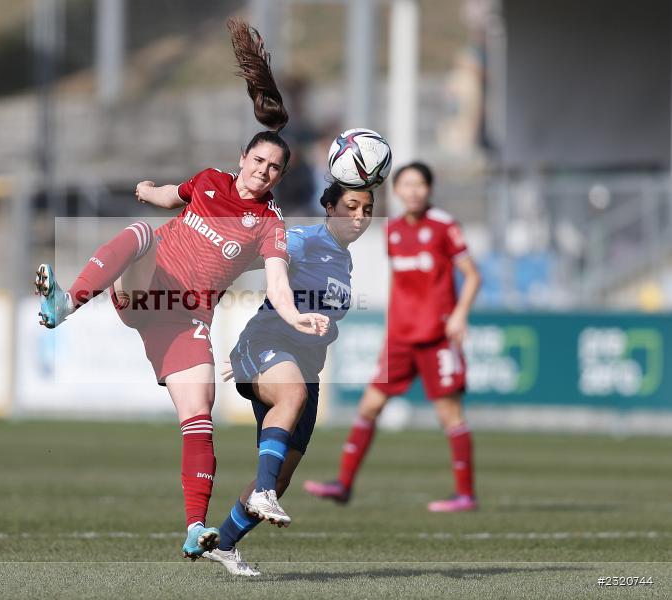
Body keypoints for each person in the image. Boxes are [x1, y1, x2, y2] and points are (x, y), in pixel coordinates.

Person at [34, 19, 329, 560]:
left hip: (185, 317)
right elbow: (175, 195)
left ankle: (196, 529)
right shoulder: (211, 180)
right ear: (243, 159)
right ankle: (66, 303)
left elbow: (279, 284)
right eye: (257, 161)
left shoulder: (269, 225)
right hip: (143, 289)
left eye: (273, 169)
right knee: (144, 233)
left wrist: (295, 318)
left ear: (279, 179)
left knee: (200, 414)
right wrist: (149, 190)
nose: (262, 173)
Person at [204, 183, 375, 576]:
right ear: (328, 207)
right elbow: (252, 258)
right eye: (350, 207)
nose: (359, 217)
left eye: (366, 209)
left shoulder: (343, 261)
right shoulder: (302, 240)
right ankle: (261, 493)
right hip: (267, 344)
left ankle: (224, 545)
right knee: (292, 394)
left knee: (281, 477)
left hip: (306, 365)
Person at [304, 161, 482, 512]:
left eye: (420, 185)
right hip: (400, 336)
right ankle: (343, 484)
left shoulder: (444, 226)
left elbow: (472, 276)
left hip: (436, 336)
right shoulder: (394, 230)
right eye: (406, 185)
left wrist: (459, 315)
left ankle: (465, 494)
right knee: (369, 407)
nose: (413, 191)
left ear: (429, 189)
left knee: (450, 415)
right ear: (396, 191)